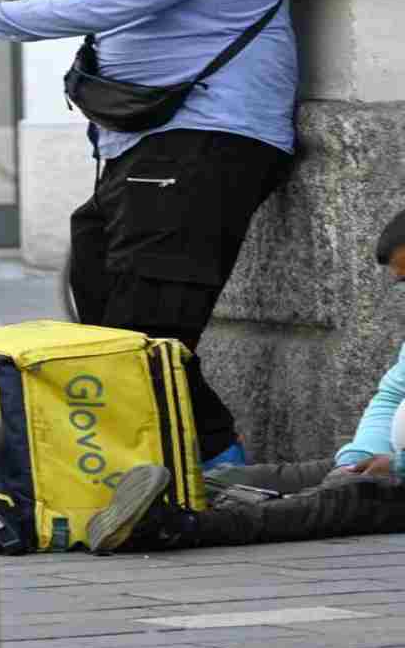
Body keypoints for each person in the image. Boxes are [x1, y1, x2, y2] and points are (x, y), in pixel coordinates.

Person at [0, 0, 298, 470]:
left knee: (149, 325)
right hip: (153, 144)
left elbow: (107, 6)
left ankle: (216, 465)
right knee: (105, 306)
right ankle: (190, 458)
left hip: (201, 141)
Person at [84, 209, 405, 553]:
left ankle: (176, 528)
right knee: (230, 479)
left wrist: (395, 466)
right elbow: (392, 394)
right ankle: (128, 508)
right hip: (386, 461)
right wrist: (358, 456)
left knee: (337, 502)